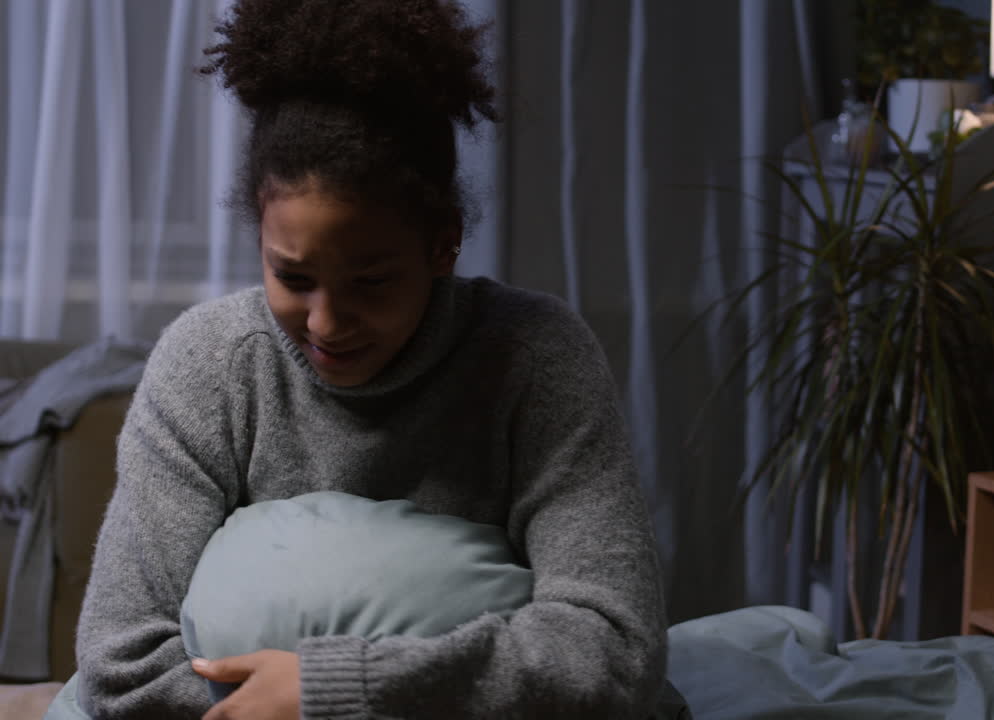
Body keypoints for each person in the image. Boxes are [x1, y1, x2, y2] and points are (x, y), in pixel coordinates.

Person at [72, 0, 669, 717]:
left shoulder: (536, 357)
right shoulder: (211, 364)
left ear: (442, 243)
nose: (326, 324)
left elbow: (613, 645)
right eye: (292, 278)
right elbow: (118, 655)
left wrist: (340, 691)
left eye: (372, 282)